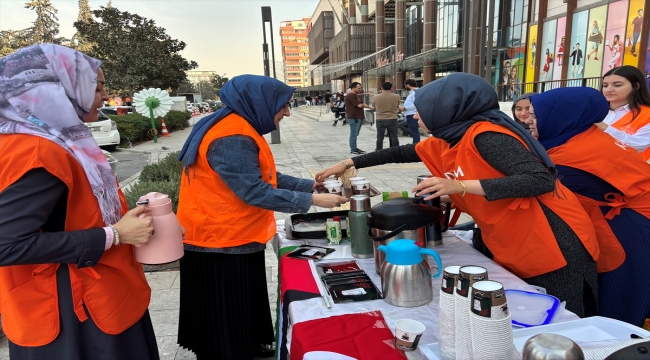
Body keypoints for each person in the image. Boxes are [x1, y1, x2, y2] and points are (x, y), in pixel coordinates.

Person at [316, 73, 600, 317]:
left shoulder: (487, 136)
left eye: (421, 109)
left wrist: (459, 187)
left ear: (447, 108)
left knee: (558, 318)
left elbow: (539, 180)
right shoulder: (450, 137)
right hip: (510, 236)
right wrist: (348, 163)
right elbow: (400, 151)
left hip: (552, 240)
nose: (415, 116)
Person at [0, 44, 159, 359]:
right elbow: (6, 244)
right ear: (55, 88)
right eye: (95, 87)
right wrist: (114, 235)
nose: (103, 97)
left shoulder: (35, 139)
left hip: (66, 303)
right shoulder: (40, 151)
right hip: (76, 313)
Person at [176, 75, 348, 360]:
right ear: (260, 102)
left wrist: (308, 185)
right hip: (219, 240)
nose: (287, 112)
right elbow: (253, 191)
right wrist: (313, 200)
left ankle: (246, 344)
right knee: (226, 313)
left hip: (231, 235)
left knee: (240, 303)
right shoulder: (232, 135)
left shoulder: (237, 126)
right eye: (284, 105)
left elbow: (264, 176)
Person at [524, 87, 650, 327]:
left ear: (562, 116)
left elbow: (534, 187)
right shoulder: (583, 134)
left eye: (534, 115)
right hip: (623, 217)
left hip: (627, 230)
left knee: (620, 299)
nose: (529, 121)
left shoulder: (571, 156)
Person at [597, 65, 650, 160]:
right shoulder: (594, 110)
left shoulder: (647, 114)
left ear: (637, 86)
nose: (609, 89)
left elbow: (640, 145)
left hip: (628, 170)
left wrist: (605, 128)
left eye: (617, 85)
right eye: (605, 85)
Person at [345, 82, 374, 155]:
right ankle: (353, 149)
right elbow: (359, 105)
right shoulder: (350, 96)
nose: (360, 89)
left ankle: (355, 148)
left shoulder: (355, 96)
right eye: (358, 88)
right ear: (354, 88)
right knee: (353, 134)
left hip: (358, 117)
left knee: (355, 134)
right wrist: (362, 105)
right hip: (354, 118)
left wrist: (368, 106)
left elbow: (362, 104)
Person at [373, 82, 401, 151]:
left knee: (380, 136)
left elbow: (374, 107)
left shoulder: (376, 97)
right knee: (394, 136)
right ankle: (395, 150)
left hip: (380, 118)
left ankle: (379, 150)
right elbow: (397, 105)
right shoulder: (397, 96)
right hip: (393, 118)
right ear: (391, 88)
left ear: (382, 88)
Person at [400, 79, 420, 143]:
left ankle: (416, 146)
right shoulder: (413, 92)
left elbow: (416, 104)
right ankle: (415, 145)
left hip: (412, 114)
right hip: (410, 114)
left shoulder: (415, 92)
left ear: (408, 85)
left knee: (414, 131)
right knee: (413, 131)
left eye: (405, 85)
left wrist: (405, 108)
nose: (405, 86)